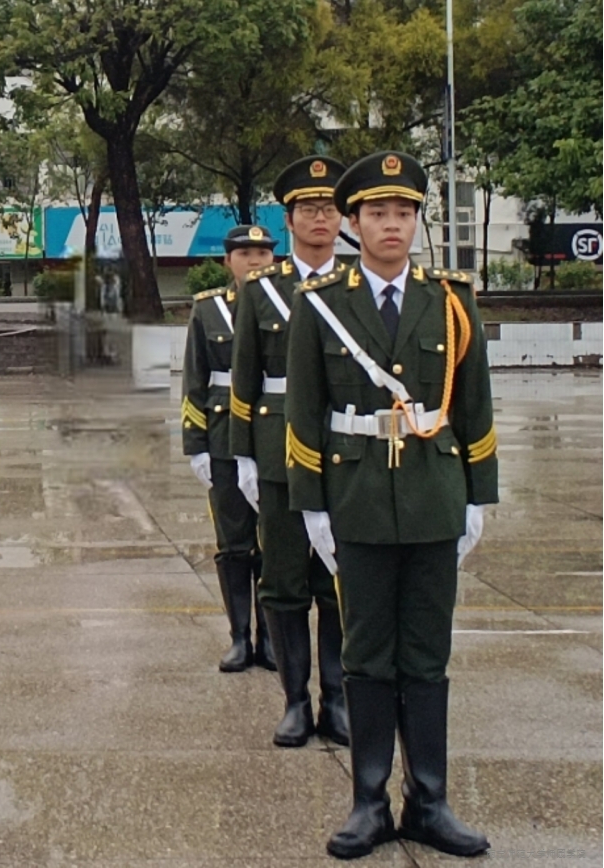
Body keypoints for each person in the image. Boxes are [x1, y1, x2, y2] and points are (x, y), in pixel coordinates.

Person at [284, 152, 496, 860]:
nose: (392, 225)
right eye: (377, 213)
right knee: (369, 656)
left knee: (427, 656)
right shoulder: (321, 304)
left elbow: (473, 404)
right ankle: (369, 803)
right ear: (353, 223)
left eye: (403, 213)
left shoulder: (450, 300)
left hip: (435, 495)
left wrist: (478, 496)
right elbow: (304, 411)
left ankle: (429, 802)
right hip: (358, 499)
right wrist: (312, 507)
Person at [231, 157, 351, 748]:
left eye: (329, 208)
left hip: (342, 451)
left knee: (338, 581)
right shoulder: (262, 290)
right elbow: (244, 380)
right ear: (290, 218)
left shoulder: (354, 285)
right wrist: (244, 458)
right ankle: (296, 701)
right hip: (278, 451)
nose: (319, 217)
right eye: (308, 208)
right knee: (282, 581)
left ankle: (339, 698)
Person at [182, 225, 277, 673]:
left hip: (272, 435)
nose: (255, 261)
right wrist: (196, 445)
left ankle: (272, 638)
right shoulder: (209, 309)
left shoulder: (290, 304)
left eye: (263, 253)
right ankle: (240, 636)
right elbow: (194, 379)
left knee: (276, 543)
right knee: (235, 542)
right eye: (245, 253)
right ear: (227, 261)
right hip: (222, 436)